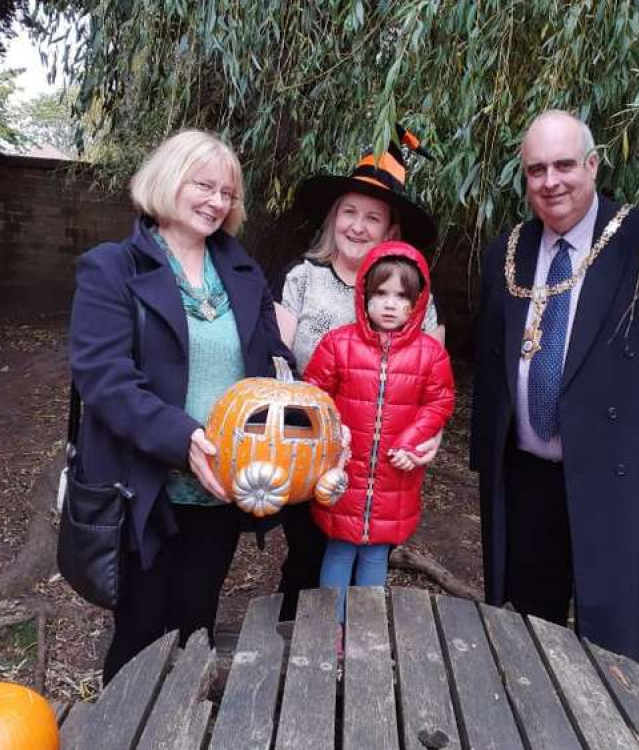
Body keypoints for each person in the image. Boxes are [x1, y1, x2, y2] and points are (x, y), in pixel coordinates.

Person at [471, 110, 639, 661]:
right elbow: (493, 366)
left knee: (613, 643)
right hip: (527, 480)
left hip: (620, 476)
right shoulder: (507, 251)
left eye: (564, 165)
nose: (551, 181)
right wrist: (484, 459)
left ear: (592, 164)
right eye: (536, 169)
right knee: (530, 632)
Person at [68, 129, 294, 683]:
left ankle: (183, 730)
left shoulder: (243, 272)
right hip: (140, 488)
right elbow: (103, 377)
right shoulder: (112, 268)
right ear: (169, 181)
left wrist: (292, 378)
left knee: (197, 627)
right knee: (141, 634)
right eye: (204, 186)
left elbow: (271, 360)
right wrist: (183, 438)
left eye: (227, 193)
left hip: (218, 488)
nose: (217, 202)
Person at [273, 129, 446, 619]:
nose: (357, 226)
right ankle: (300, 648)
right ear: (334, 218)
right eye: (349, 212)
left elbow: (433, 378)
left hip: (382, 455)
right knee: (309, 555)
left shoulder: (411, 295)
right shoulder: (301, 278)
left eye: (372, 217)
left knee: (372, 553)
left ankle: (361, 648)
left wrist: (427, 435)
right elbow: (276, 362)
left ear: (389, 230)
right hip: (312, 448)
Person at [303, 241, 455, 645]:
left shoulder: (430, 355)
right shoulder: (339, 344)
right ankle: (330, 627)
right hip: (343, 474)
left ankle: (364, 627)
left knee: (374, 557)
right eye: (381, 293)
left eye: (401, 296)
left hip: (394, 476)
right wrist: (335, 438)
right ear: (364, 296)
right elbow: (313, 396)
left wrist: (412, 441)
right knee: (337, 552)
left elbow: (439, 400)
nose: (390, 304)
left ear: (417, 302)